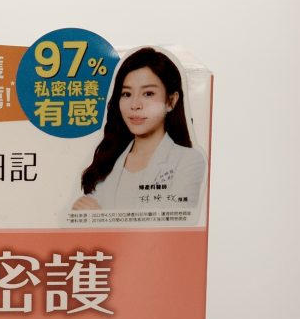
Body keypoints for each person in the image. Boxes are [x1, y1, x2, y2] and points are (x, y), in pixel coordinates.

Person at [73, 46, 205, 212]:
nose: (135, 105)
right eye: (126, 94)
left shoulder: (188, 160)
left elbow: (177, 223)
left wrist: (99, 218)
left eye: (148, 93)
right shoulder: (108, 160)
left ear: (171, 101)